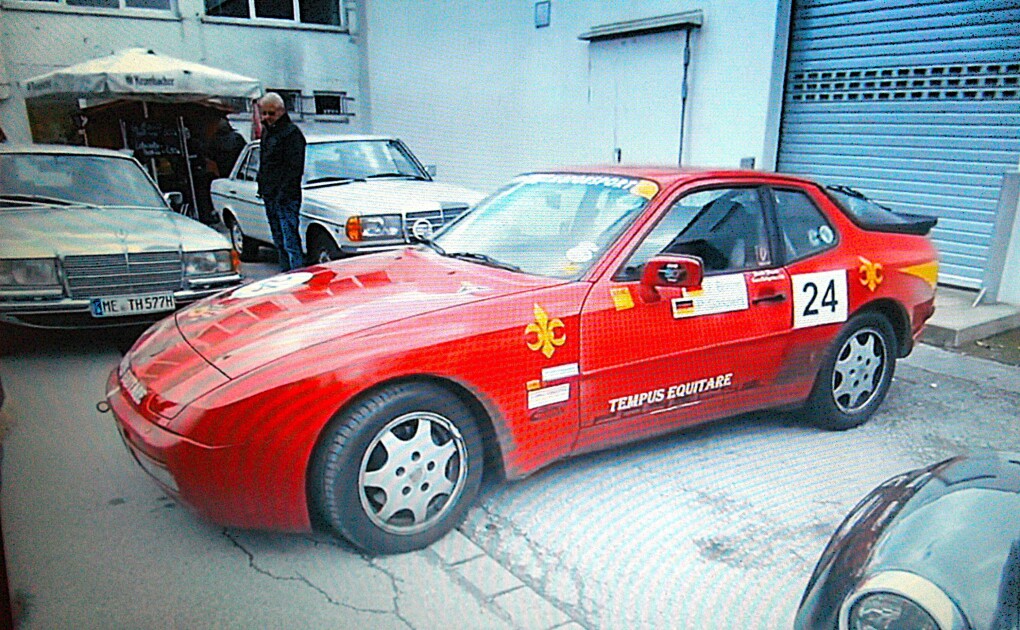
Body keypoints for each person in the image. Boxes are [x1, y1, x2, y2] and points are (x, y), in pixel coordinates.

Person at [256, 92, 306, 271]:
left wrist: (283, 193)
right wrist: (262, 186)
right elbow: (264, 163)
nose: (266, 117)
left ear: (281, 111)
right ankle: (286, 273)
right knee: (279, 240)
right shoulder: (267, 133)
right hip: (270, 194)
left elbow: (295, 168)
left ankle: (296, 273)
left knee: (289, 241)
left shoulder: (291, 134)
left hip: (286, 196)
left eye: (271, 113)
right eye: (264, 113)